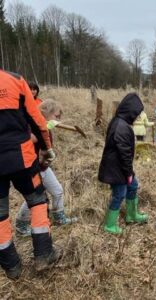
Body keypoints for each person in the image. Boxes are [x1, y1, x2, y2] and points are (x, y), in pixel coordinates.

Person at [0, 70, 61, 279]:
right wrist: (46, 147)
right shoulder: (15, 80)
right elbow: (37, 119)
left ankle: (12, 266)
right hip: (22, 159)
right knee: (37, 200)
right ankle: (44, 254)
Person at [16, 99, 78, 236]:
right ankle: (21, 225)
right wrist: (43, 129)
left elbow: (46, 146)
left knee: (57, 191)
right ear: (45, 112)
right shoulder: (30, 124)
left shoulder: (46, 127)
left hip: (43, 166)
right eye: (56, 116)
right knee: (35, 198)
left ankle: (59, 218)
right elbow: (28, 140)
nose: (59, 119)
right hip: (31, 167)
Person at [98, 93, 148, 234]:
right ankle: (109, 225)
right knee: (119, 194)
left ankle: (131, 215)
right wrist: (128, 173)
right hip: (116, 168)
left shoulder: (121, 122)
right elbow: (124, 154)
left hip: (120, 167)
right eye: (136, 113)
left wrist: (129, 173)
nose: (137, 116)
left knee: (133, 186)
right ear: (130, 110)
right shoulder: (121, 126)